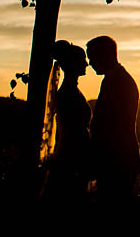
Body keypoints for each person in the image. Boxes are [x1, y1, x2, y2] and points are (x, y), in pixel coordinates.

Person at [87, 35, 140, 204]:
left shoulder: (119, 82)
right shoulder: (115, 79)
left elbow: (112, 126)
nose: (90, 63)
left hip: (117, 160)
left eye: (92, 57)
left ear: (104, 55)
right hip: (116, 159)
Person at [43, 40, 92, 204]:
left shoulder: (70, 90)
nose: (86, 64)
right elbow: (71, 131)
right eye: (82, 60)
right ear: (72, 65)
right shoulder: (68, 93)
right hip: (71, 157)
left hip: (74, 155)